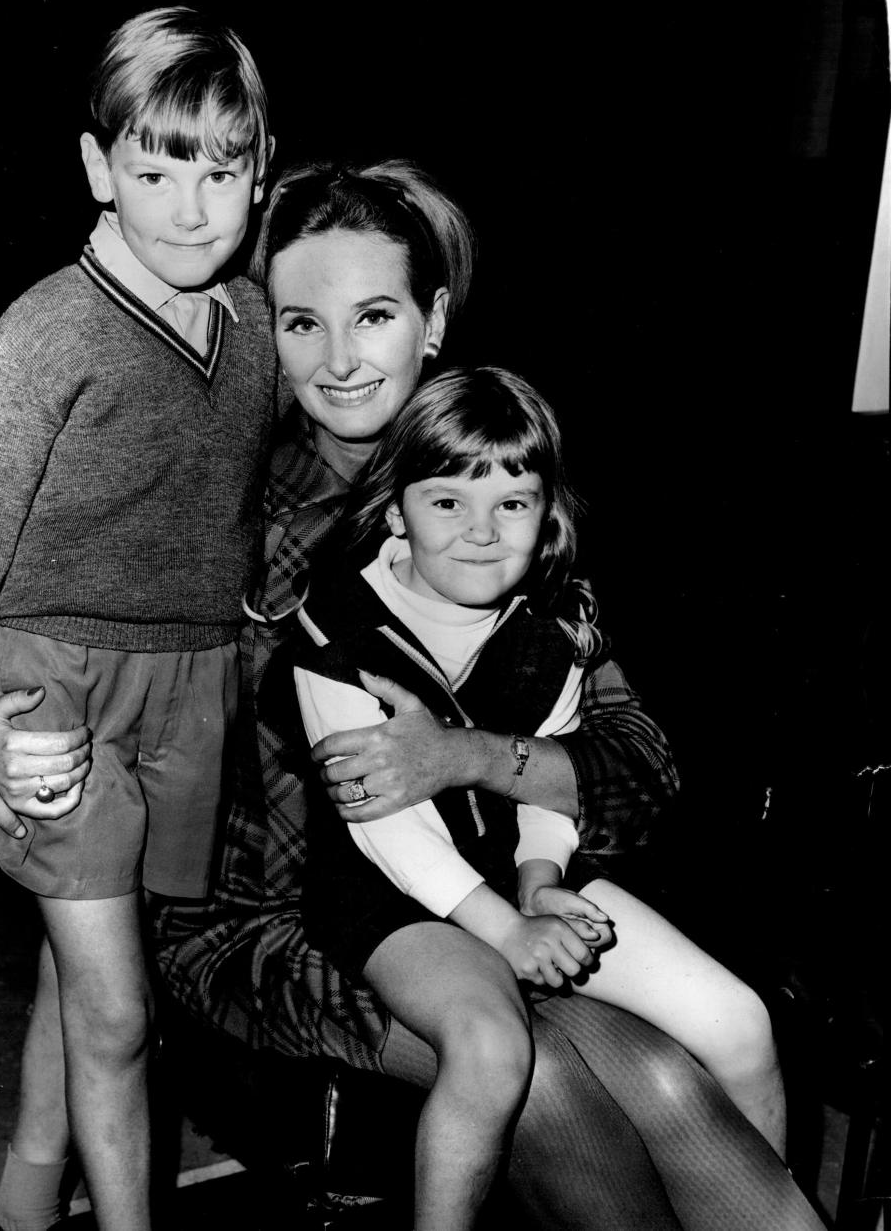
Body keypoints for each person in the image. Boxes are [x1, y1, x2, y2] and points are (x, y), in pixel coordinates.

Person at [0, 162, 826, 1230]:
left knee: (667, 1074)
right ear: (264, 334)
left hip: (483, 877)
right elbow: (61, 625)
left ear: (429, 323)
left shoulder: (485, 481)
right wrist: (7, 729)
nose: (338, 361)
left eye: (373, 316)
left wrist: (468, 758)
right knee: (550, 1079)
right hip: (277, 925)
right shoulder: (222, 507)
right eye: (301, 323)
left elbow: (638, 760)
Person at [292, 365, 786, 1228]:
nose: (481, 534)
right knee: (494, 1049)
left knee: (738, 1021)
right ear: (396, 507)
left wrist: (540, 881)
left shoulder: (550, 624)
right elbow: (391, 835)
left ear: (547, 511)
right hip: (389, 894)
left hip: (514, 869)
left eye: (512, 505)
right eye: (447, 502)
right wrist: (508, 929)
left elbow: (547, 780)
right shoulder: (335, 625)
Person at [0, 8, 277, 1231]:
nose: (190, 208)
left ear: (259, 170)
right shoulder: (43, 337)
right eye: (154, 169)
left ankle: (22, 1202)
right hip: (52, 695)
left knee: (85, 970)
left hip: (186, 684)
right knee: (122, 1016)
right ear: (99, 170)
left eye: (220, 172)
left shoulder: (252, 332)